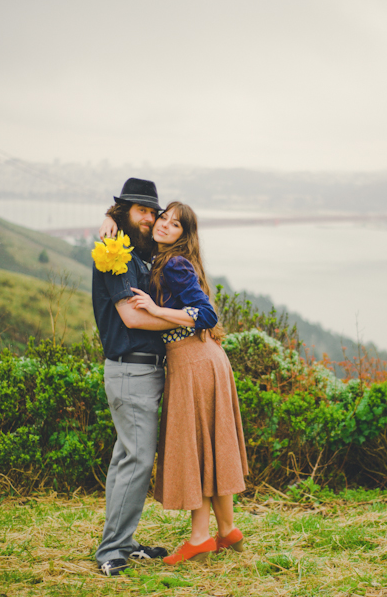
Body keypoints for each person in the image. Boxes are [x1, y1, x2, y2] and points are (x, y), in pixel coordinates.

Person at [126, 201, 249, 564]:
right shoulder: (166, 259)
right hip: (203, 358)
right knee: (212, 445)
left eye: (175, 224)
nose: (164, 225)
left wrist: (157, 310)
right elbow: (129, 233)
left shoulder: (176, 263)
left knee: (198, 448)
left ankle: (199, 538)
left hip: (194, 361)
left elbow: (206, 313)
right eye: (163, 218)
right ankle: (226, 530)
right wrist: (109, 219)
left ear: (184, 235)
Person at [92, 178, 179, 577]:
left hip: (142, 370)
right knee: (138, 459)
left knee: (126, 458)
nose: (148, 219)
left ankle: (123, 542)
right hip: (131, 369)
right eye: (141, 211)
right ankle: (111, 551)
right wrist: (182, 322)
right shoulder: (115, 253)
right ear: (124, 212)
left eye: (152, 212)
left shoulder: (135, 254)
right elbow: (129, 315)